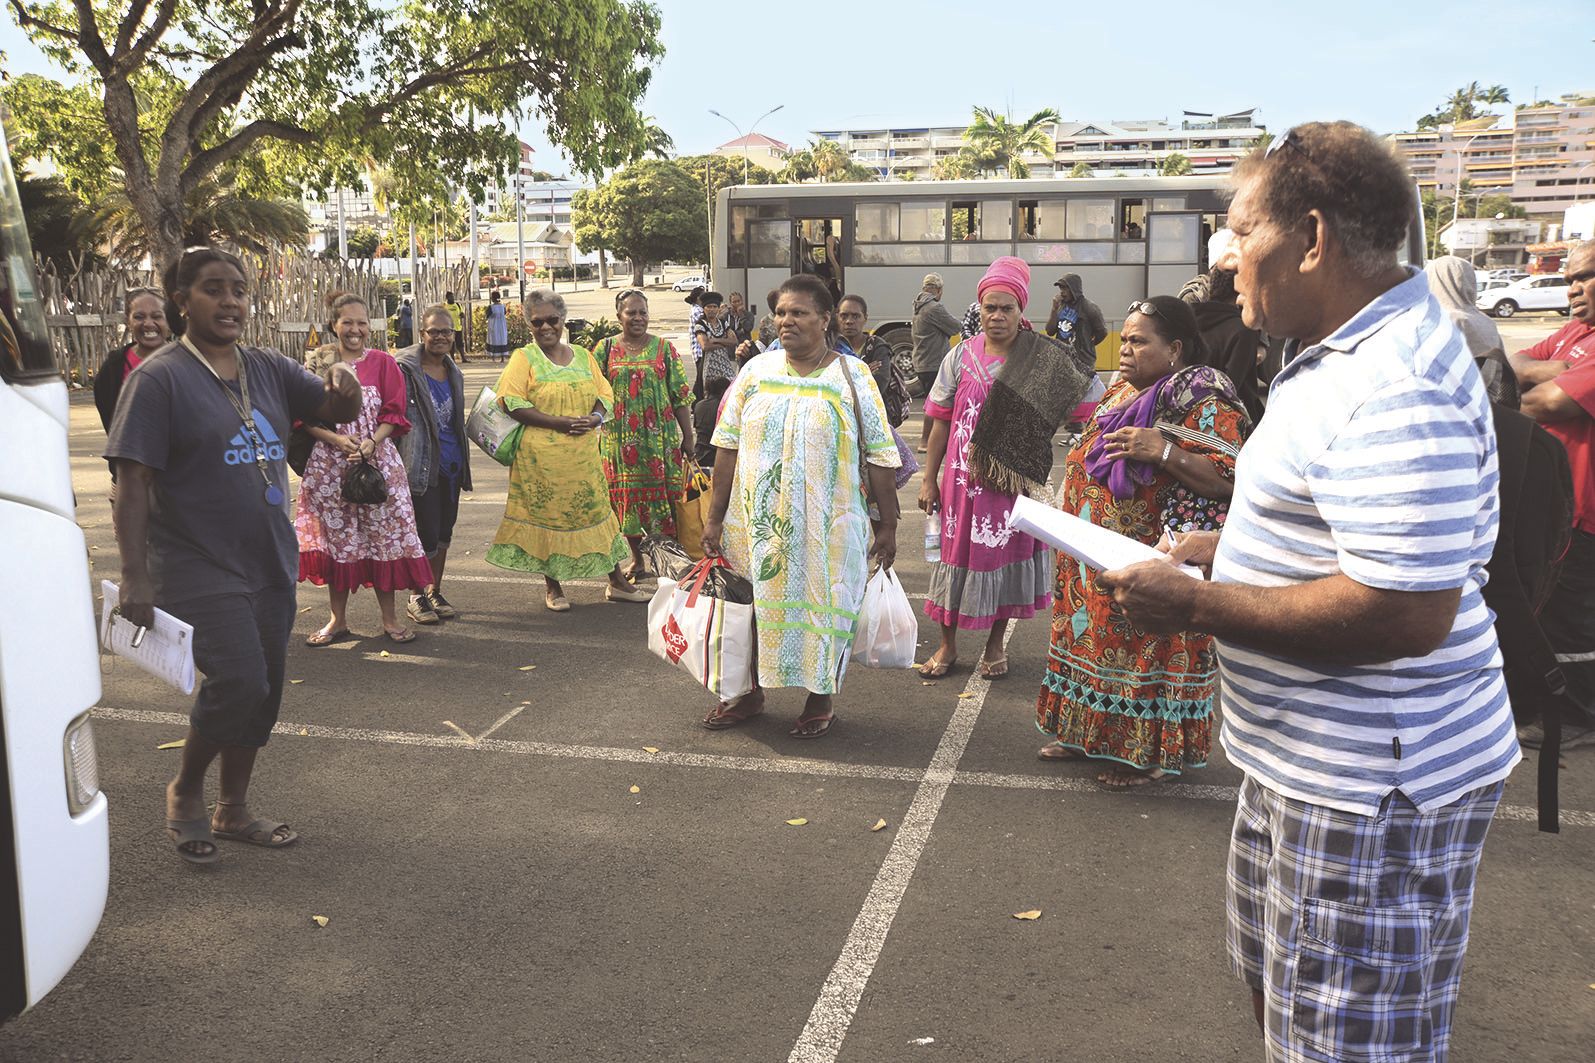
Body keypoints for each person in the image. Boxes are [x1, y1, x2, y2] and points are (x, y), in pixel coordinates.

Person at [1098, 122, 1520, 1063]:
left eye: (1240, 231)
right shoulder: (1338, 349)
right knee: (1286, 1000)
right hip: (1304, 766)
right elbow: (1343, 531)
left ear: (1314, 239)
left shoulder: (1395, 379)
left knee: (1345, 1043)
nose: (1225, 257)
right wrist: (1225, 549)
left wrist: (1198, 604)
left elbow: (1405, 610)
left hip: (1369, 788)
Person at [106, 246, 362, 863]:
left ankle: (234, 808)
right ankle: (186, 793)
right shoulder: (158, 378)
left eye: (239, 290)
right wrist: (135, 575)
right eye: (213, 289)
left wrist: (345, 383)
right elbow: (132, 483)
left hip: (269, 555)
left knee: (265, 688)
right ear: (181, 300)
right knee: (239, 679)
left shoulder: (267, 367)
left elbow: (334, 409)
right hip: (195, 562)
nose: (230, 301)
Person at [1035, 296, 1252, 786]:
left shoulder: (1203, 402)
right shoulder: (1120, 394)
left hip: (1154, 559)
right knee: (1091, 641)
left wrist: (1166, 451)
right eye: (1124, 339)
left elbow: (1232, 477)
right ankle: (1083, 734)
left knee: (1143, 650)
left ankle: (1148, 754)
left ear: (1174, 348)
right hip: (1091, 557)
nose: (1126, 350)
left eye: (1138, 341)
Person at [700, 274, 901, 738]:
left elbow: (881, 455)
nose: (786, 321)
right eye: (781, 313)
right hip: (756, 525)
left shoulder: (852, 376)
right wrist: (714, 517)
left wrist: (885, 525)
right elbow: (726, 446)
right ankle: (747, 692)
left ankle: (819, 696)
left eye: (799, 313)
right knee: (749, 607)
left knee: (825, 605)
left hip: (828, 528)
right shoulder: (754, 372)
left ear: (824, 320)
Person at [918, 257, 1091, 679]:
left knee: (1000, 562)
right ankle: (947, 645)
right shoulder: (959, 357)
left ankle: (995, 645)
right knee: (953, 561)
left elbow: (1090, 404)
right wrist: (930, 478)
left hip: (1011, 485)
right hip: (961, 483)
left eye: (1006, 308)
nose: (997, 316)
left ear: (1021, 312)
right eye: (989, 308)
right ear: (979, 310)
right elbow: (940, 420)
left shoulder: (1044, 359)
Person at [486, 289, 651, 610]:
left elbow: (605, 393)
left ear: (562, 320)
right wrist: (557, 423)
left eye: (552, 320)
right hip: (540, 460)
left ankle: (616, 582)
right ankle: (554, 588)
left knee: (597, 514)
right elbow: (511, 400)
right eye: (537, 322)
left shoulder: (582, 355)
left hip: (584, 457)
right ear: (528, 324)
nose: (545, 327)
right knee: (550, 519)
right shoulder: (524, 358)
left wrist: (595, 417)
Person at [295, 292, 434, 645]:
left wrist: (372, 442)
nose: (355, 330)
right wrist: (337, 440)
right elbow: (303, 417)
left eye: (361, 323)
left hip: (378, 464)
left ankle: (389, 620)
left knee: (382, 541)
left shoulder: (384, 364)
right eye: (347, 322)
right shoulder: (317, 362)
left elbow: (395, 413)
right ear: (333, 325)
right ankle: (336, 620)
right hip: (329, 467)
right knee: (337, 542)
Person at [1511, 240, 1595, 749]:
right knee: (1543, 607)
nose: (1573, 288)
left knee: (1572, 618)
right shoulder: (1577, 334)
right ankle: (1548, 702)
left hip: (1583, 511)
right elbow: (1514, 359)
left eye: (1585, 276)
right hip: (1553, 505)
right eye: (1569, 279)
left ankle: (1578, 714)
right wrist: (1555, 368)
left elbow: (1545, 402)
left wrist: (1549, 378)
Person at [594, 288, 696, 578]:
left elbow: (680, 396)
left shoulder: (664, 348)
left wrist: (688, 437)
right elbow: (594, 394)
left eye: (643, 312)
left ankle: (666, 563)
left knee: (665, 502)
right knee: (625, 502)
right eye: (631, 312)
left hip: (660, 444)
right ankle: (637, 560)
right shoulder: (604, 349)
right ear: (619, 316)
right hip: (618, 443)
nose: (638, 318)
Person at [395, 305, 473, 625]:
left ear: (453, 336)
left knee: (443, 532)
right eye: (434, 331)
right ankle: (416, 595)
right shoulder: (404, 370)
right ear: (422, 334)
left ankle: (434, 590)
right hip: (421, 463)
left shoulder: (453, 371)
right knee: (422, 533)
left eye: (446, 332)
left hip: (452, 464)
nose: (440, 337)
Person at [94, 287, 169, 487]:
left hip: (178, 481)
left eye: (157, 316)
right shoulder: (113, 368)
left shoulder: (186, 364)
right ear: (128, 321)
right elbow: (112, 423)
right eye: (139, 317)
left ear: (168, 320)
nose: (149, 323)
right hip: (129, 479)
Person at [1190, 268, 1269, 423]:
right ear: (1240, 288)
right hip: (1234, 421)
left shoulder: (1189, 320)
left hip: (1192, 415)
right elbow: (1232, 385)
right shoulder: (1244, 329)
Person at [836, 293, 905, 427]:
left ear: (865, 318)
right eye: (844, 316)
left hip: (873, 419)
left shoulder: (877, 347)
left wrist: (844, 376)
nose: (849, 321)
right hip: (840, 419)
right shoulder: (830, 347)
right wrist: (865, 372)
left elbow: (878, 384)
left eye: (855, 316)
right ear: (837, 317)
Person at [912, 273, 962, 449]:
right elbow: (956, 327)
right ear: (939, 290)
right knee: (935, 404)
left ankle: (930, 440)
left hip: (922, 361)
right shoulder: (934, 308)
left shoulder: (918, 305)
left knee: (931, 402)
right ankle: (926, 442)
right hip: (934, 362)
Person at [1044, 274, 1108, 369]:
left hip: (1082, 362)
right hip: (1062, 360)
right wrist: (1054, 309)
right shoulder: (1060, 305)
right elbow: (1050, 331)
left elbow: (1102, 332)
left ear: (1074, 289)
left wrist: (1088, 345)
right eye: (1061, 289)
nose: (1062, 292)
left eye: (1065, 289)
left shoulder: (1089, 308)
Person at [692, 291, 739, 397]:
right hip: (709, 367)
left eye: (714, 306)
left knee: (730, 391)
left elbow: (734, 341)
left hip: (724, 364)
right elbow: (705, 346)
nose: (712, 309)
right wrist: (723, 343)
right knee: (711, 394)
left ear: (718, 309)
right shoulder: (700, 325)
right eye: (709, 306)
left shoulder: (723, 323)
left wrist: (715, 340)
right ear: (704, 308)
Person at [694, 376, 729, 469]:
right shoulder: (724, 408)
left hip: (699, 454)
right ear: (723, 391)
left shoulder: (699, 405)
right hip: (715, 456)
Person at [485, 289, 511, 363]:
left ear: (492, 298)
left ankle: (493, 357)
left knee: (494, 340)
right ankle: (502, 358)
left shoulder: (491, 307)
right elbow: (505, 313)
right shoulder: (502, 306)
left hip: (493, 326)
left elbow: (487, 315)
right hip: (502, 327)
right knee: (501, 340)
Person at [445, 290, 465, 360]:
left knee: (460, 343)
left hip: (458, 327)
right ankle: (452, 359)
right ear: (447, 298)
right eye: (451, 297)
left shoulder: (457, 305)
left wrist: (462, 315)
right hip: (449, 328)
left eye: (453, 297)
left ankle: (463, 358)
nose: (452, 298)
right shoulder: (445, 306)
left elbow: (462, 314)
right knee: (451, 344)